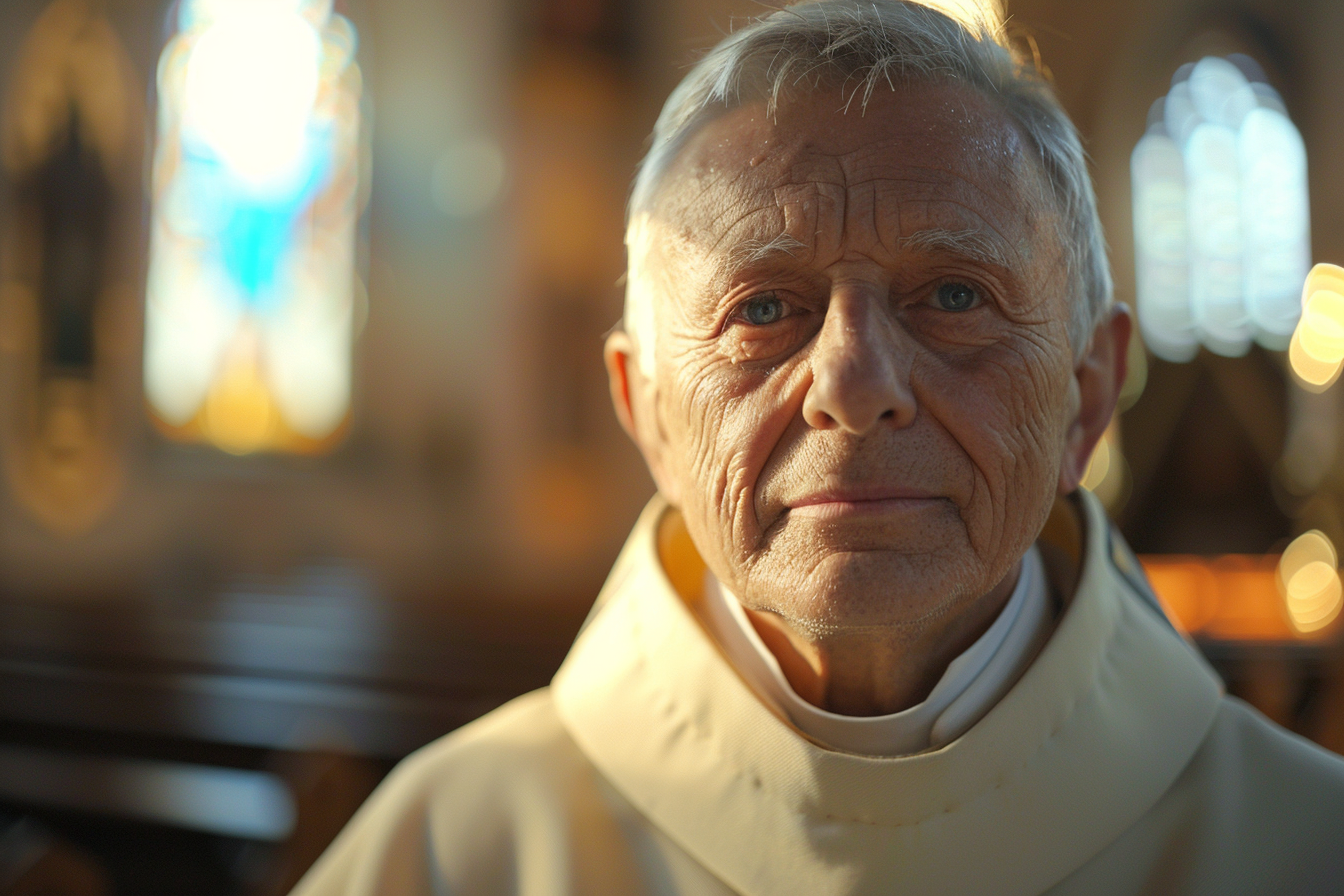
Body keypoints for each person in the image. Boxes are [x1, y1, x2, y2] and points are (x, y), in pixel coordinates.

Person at [290, 3, 1344, 893]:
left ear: (1088, 391)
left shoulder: (1298, 841)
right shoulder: (452, 848)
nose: (854, 385)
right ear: (644, 407)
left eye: (954, 295)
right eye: (763, 308)